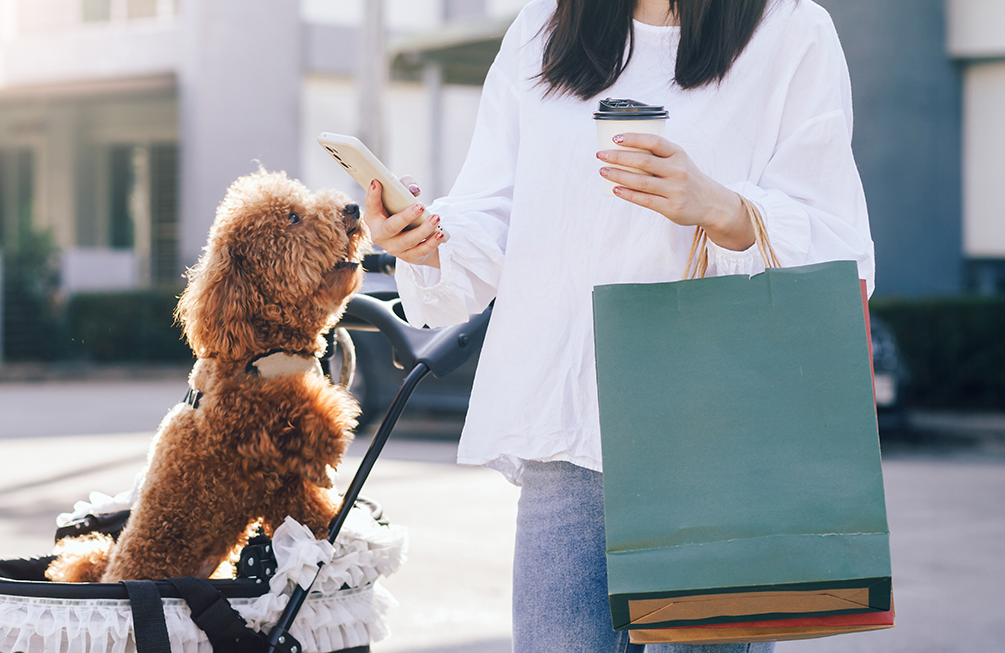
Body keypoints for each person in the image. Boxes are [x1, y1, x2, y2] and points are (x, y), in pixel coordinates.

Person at [360, 0, 875, 651]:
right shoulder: (546, 28)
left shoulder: (790, 30)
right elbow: (498, 208)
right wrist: (425, 237)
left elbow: (838, 243)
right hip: (566, 428)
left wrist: (724, 208)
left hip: (707, 435)